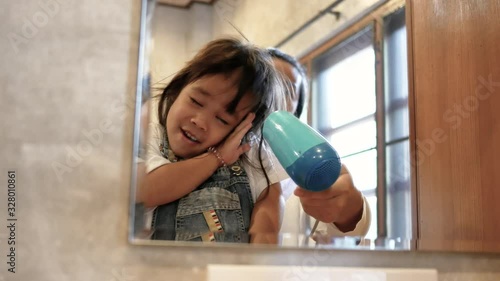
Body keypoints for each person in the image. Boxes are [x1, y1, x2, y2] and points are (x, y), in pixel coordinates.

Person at [137, 38, 290, 244]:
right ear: (177, 90)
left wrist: (259, 257)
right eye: (196, 101)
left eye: (222, 119)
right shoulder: (150, 136)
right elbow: (146, 190)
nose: (200, 122)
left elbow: (270, 200)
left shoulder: (249, 153)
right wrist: (215, 158)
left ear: (240, 129)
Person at [268, 47, 371, 237]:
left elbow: (338, 236)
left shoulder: (306, 172)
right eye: (266, 84)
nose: (275, 95)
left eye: (288, 90)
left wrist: (349, 212)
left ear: (295, 112)